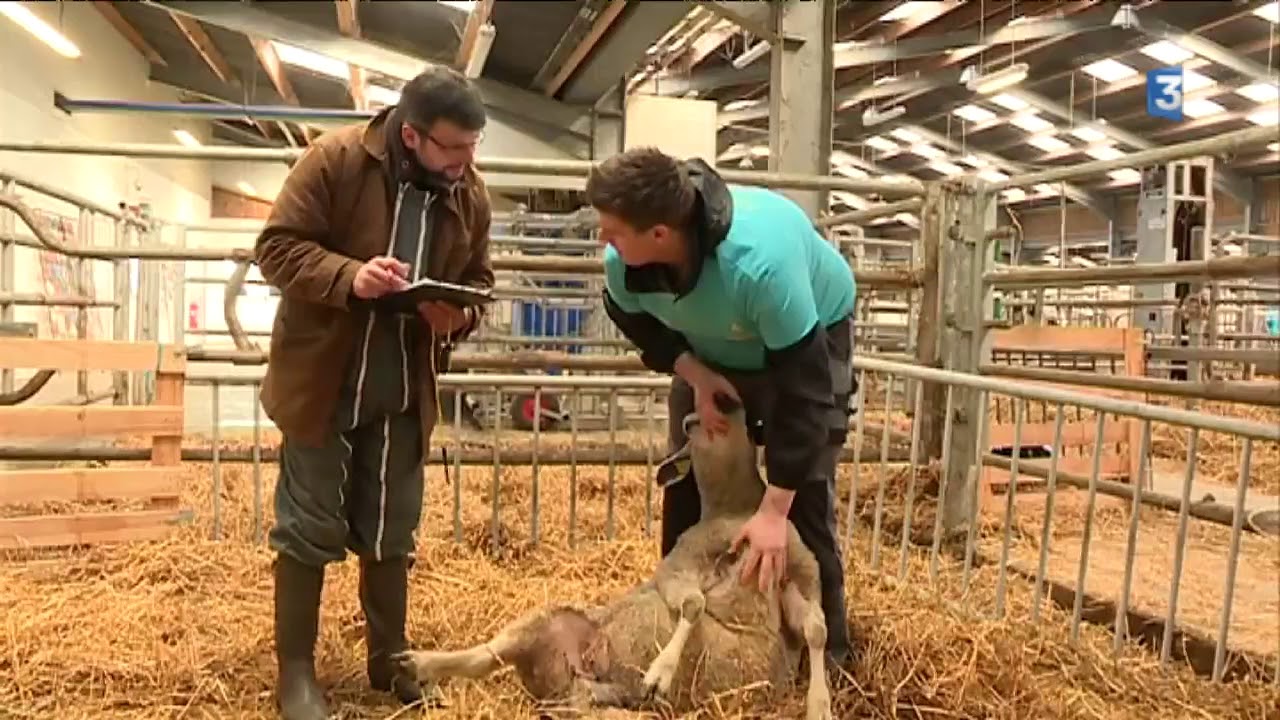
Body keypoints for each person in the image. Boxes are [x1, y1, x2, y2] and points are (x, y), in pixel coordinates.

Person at [253, 66, 494, 720]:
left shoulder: (468, 193)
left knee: (393, 525)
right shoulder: (333, 161)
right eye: (454, 147)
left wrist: (459, 315)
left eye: (474, 146)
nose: (466, 162)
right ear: (411, 135)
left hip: (400, 383)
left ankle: (390, 659)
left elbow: (478, 278)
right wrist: (351, 276)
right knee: (309, 525)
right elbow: (275, 249)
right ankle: (297, 673)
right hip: (324, 379)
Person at [586, 147, 857, 670]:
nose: (604, 240)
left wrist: (774, 510)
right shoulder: (625, 263)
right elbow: (631, 317)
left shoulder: (759, 265)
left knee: (805, 491)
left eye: (614, 230)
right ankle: (676, 624)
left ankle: (830, 657)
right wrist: (694, 372)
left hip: (805, 342)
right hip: (710, 350)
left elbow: (807, 391)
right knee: (690, 473)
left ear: (660, 234)